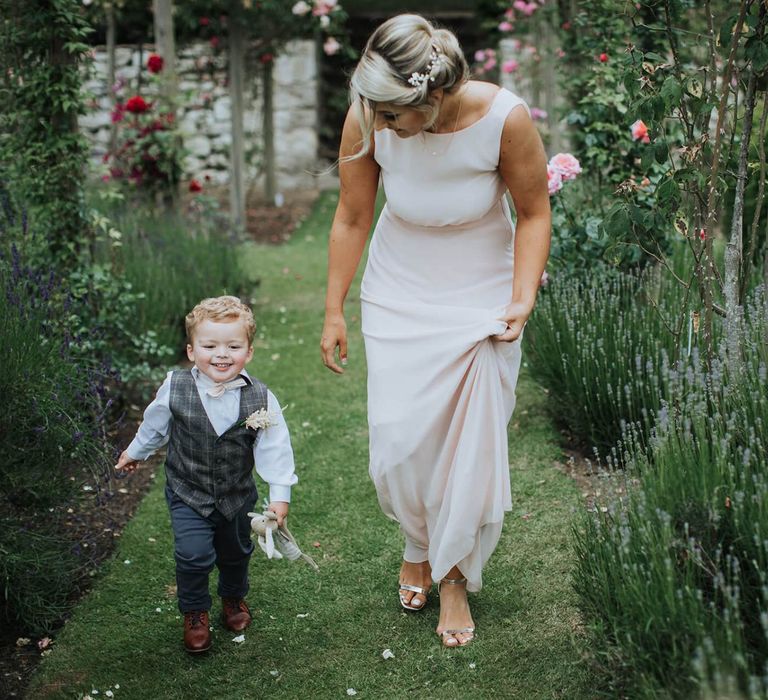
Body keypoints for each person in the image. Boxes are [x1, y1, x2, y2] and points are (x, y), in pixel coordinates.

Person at [320, 14, 550, 648]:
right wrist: (335, 307)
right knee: (399, 445)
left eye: (394, 116)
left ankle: (450, 576)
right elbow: (351, 215)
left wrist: (521, 298)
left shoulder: (506, 119)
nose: (381, 126)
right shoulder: (369, 115)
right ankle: (417, 540)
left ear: (433, 96)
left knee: (464, 445)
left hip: (479, 291)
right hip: (399, 289)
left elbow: (533, 214)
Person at [115, 296, 298, 654]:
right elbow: (155, 426)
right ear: (191, 349)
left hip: (236, 495)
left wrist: (279, 494)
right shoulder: (176, 386)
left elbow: (274, 447)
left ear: (249, 351)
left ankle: (232, 598)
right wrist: (135, 451)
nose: (221, 354)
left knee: (236, 552)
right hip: (189, 492)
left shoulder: (260, 396)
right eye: (209, 345)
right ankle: (195, 611)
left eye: (233, 346)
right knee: (193, 554)